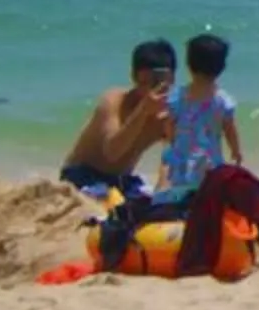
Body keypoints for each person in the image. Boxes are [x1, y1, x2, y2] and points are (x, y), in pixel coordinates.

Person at [62, 40, 177, 200]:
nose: (149, 91)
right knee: (105, 196)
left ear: (171, 79)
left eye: (157, 83)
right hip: (82, 174)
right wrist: (142, 111)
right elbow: (112, 152)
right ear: (133, 77)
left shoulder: (167, 117)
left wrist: (162, 193)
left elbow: (171, 159)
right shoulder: (114, 101)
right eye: (143, 83)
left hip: (120, 181)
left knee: (146, 199)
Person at [157, 32, 245, 197]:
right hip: (209, 162)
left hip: (182, 158)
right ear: (221, 67)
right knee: (207, 196)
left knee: (180, 194)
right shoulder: (223, 101)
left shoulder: (177, 97)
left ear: (189, 64)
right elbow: (230, 129)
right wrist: (236, 151)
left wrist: (171, 141)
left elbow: (169, 126)